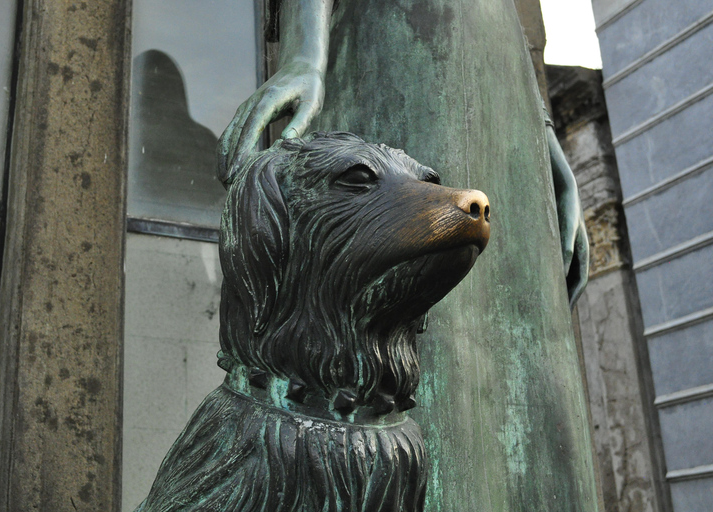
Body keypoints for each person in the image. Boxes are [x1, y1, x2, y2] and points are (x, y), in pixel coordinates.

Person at [217, 0, 598, 509]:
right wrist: (305, 50)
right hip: (392, 44)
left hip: (502, 83)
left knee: (526, 405)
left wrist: (543, 138)